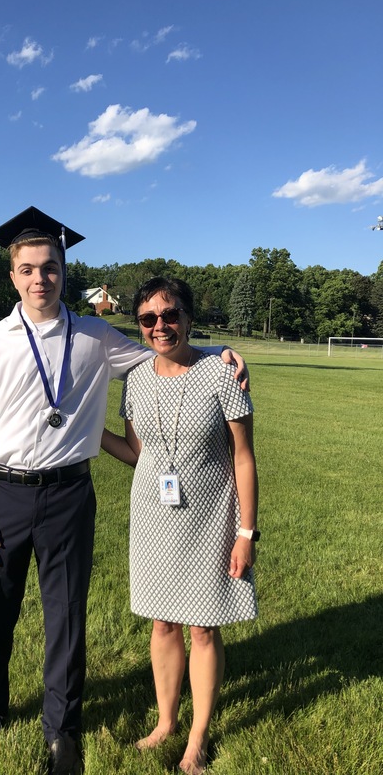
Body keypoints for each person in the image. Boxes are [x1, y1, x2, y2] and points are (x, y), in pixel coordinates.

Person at [0, 208, 249, 775]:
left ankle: (63, 729)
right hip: (4, 493)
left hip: (69, 495)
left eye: (50, 268)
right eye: (28, 269)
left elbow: (164, 353)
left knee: (66, 617)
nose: (40, 279)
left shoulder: (95, 336)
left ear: (63, 272)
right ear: (12, 276)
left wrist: (220, 357)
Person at [101, 276, 258, 775]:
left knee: (203, 628)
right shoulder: (137, 379)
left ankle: (197, 738)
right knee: (162, 623)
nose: (160, 326)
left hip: (211, 518)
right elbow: (135, 453)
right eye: (148, 318)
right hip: (152, 516)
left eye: (170, 315)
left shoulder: (221, 375)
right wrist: (89, 433)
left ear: (189, 318)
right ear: (139, 325)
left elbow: (244, 459)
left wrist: (246, 533)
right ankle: (166, 720)